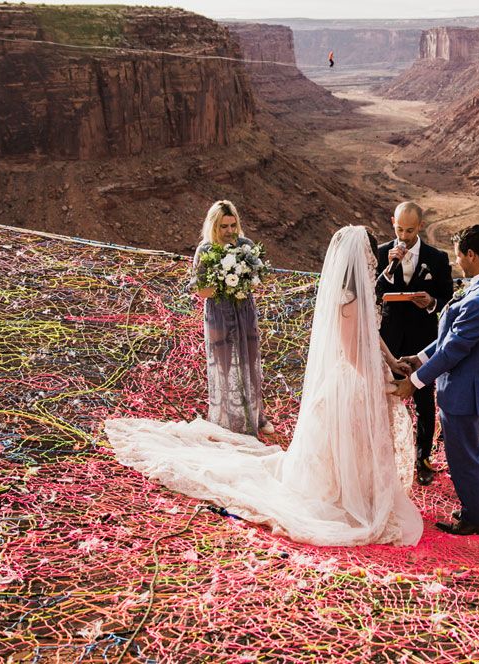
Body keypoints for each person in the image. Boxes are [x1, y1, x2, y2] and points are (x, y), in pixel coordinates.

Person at [105, 226, 423, 547]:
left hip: (360, 381)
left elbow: (370, 333)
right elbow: (354, 352)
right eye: (371, 256)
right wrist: (382, 383)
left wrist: (392, 361)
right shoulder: (347, 301)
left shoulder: (361, 296)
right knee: (342, 446)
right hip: (350, 385)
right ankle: (344, 497)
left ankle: (361, 494)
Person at [395, 225, 479, 536]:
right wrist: (419, 357)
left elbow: (451, 351)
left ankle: (477, 519)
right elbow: (452, 338)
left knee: (463, 458)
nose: (458, 262)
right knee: (475, 452)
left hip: (462, 391)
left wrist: (415, 381)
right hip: (477, 387)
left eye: (460, 256)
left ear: (471, 255)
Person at [374, 202, 453, 486]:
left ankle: (422, 459)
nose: (404, 236)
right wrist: (388, 271)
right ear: (392, 222)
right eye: (399, 229)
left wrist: (431, 303)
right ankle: (386, 458)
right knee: (385, 398)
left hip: (423, 341)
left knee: (424, 401)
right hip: (389, 342)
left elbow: (448, 300)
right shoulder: (381, 254)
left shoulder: (437, 258)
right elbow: (369, 293)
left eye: (409, 230)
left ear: (420, 226)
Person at [191, 200, 272, 436]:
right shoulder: (205, 251)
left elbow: (258, 280)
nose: (229, 231)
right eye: (223, 226)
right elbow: (201, 291)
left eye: (232, 225)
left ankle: (257, 417)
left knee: (250, 361)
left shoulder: (246, 246)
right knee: (223, 364)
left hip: (244, 311)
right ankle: (224, 420)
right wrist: (226, 282)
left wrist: (244, 278)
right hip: (218, 313)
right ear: (214, 226)